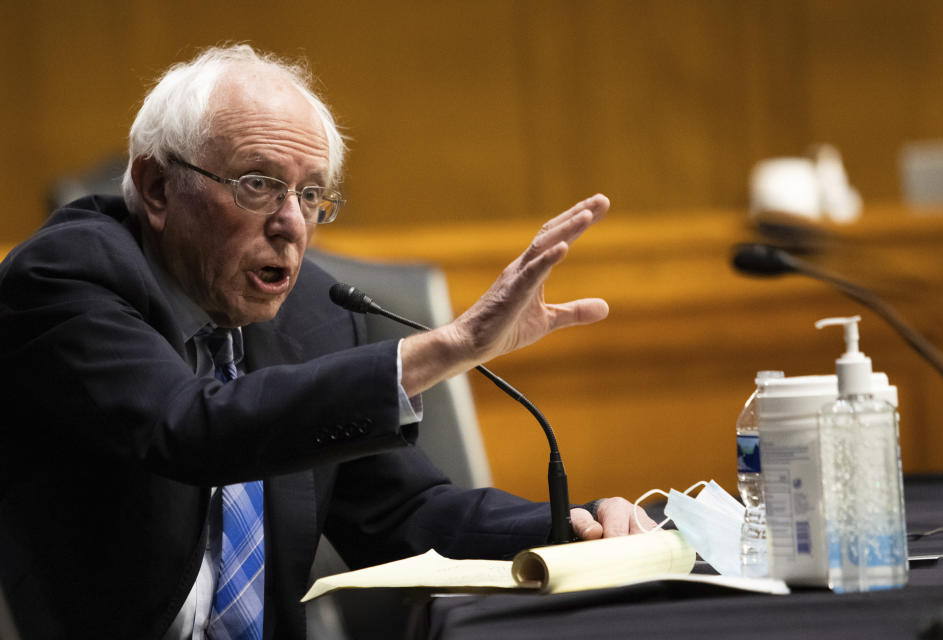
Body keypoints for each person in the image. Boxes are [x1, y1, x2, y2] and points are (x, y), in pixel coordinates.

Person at [0, 45, 652, 639]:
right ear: (157, 188)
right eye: (257, 183)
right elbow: (191, 427)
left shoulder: (312, 310)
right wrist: (449, 347)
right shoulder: (64, 280)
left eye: (311, 193)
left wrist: (574, 528)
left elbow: (402, 513)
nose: (291, 224)